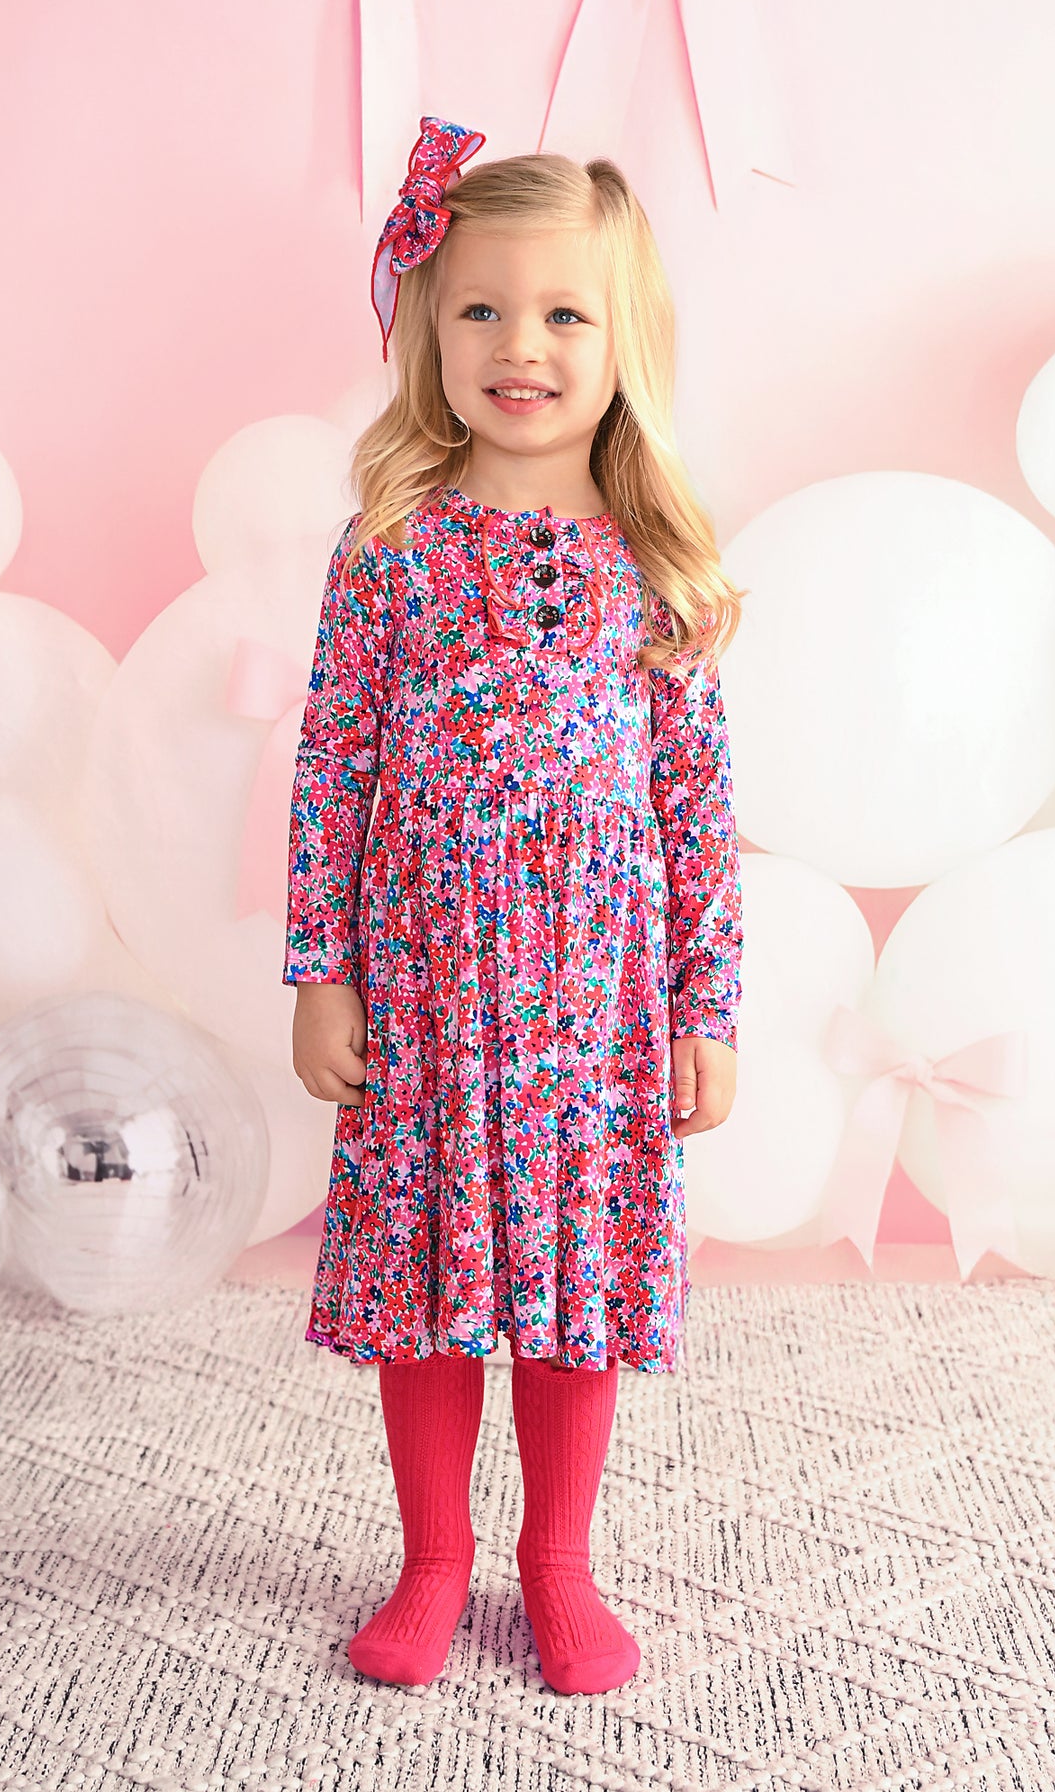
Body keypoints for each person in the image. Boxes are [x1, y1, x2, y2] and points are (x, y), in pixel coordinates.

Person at [282, 116, 745, 1695]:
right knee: (426, 1286)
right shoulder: (391, 551)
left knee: (570, 1285)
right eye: (480, 309)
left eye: (562, 314)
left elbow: (696, 808)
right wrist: (322, 970)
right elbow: (334, 767)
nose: (519, 347)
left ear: (625, 343)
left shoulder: (652, 565)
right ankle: (433, 1559)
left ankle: (559, 1562)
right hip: (426, 989)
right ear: (428, 325)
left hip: (590, 1009)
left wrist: (705, 1007)